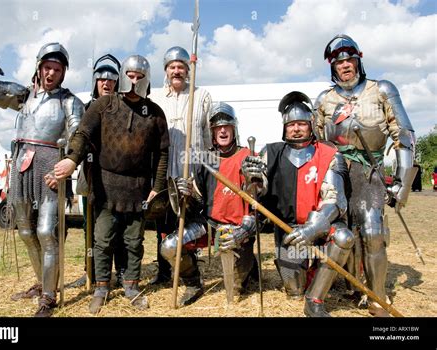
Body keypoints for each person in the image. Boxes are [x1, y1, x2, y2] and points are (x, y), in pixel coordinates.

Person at [0, 38, 84, 317]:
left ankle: (49, 298)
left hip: (50, 168)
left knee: (45, 231)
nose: (51, 73)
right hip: (21, 165)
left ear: (63, 72)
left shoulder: (69, 102)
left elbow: (78, 137)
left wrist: (66, 168)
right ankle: (43, 284)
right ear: (39, 68)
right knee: (26, 231)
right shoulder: (24, 96)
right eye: (47, 67)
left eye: (57, 69)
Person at [53, 55, 169, 314]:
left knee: (133, 242)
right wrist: (72, 159)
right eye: (130, 75)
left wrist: (157, 185)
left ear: (147, 80)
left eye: (140, 76)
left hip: (138, 186)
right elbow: (83, 133)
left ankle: (131, 286)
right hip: (105, 185)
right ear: (122, 76)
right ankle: (102, 287)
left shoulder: (154, 114)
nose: (134, 80)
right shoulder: (104, 105)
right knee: (102, 240)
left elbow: (162, 152)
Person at [314, 34, 416, 316]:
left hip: (368, 169)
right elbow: (314, 141)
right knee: (340, 232)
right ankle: (346, 284)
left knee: (372, 231)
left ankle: (377, 297)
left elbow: (404, 135)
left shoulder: (381, 90)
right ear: (332, 67)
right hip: (335, 169)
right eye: (339, 62)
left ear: (358, 60)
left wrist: (402, 183)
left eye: (349, 60)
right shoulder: (324, 100)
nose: (345, 66)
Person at [242, 91, 354, 317]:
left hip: (321, 225)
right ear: (284, 127)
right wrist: (249, 180)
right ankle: (312, 274)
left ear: (310, 125)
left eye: (301, 123)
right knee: (294, 290)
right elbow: (256, 193)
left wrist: (313, 228)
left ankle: (315, 301)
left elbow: (336, 200)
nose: (296, 128)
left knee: (343, 238)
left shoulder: (330, 154)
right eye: (291, 124)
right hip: (288, 229)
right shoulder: (270, 153)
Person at [161, 102, 258, 306]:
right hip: (211, 224)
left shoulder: (247, 156)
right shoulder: (205, 158)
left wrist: (247, 228)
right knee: (169, 246)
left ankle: (249, 267)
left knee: (238, 287)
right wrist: (186, 195)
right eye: (217, 127)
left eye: (227, 126)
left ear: (234, 129)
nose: (222, 130)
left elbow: (260, 201)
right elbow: (198, 202)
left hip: (240, 226)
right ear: (212, 131)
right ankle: (193, 282)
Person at [149, 46, 212, 285]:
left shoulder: (201, 95)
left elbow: (207, 135)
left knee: (190, 219)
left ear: (188, 70)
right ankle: (165, 271)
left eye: (181, 67)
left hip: (193, 169)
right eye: (172, 67)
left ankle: (189, 269)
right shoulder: (154, 99)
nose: (177, 71)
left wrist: (206, 169)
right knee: (163, 222)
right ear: (166, 71)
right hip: (165, 169)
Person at [68, 54, 128, 289]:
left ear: (118, 82)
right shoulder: (85, 108)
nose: (107, 83)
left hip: (119, 179)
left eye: (112, 79)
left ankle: (122, 272)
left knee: (120, 226)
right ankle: (92, 272)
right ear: (95, 82)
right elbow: (77, 139)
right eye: (102, 79)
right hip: (92, 177)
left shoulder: (125, 108)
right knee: (90, 227)